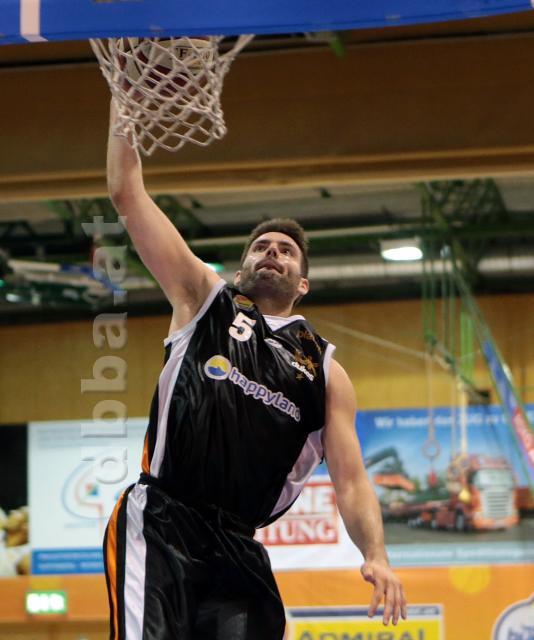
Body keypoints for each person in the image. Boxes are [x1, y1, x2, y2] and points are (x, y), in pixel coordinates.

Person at [104, 99, 407, 640]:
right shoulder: (203, 299)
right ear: (242, 266)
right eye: (261, 246)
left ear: (302, 283)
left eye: (286, 251)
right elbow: (128, 194)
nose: (271, 252)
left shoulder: (325, 369)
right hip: (163, 518)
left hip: (239, 544)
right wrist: (123, 101)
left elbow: (351, 479)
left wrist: (377, 555)